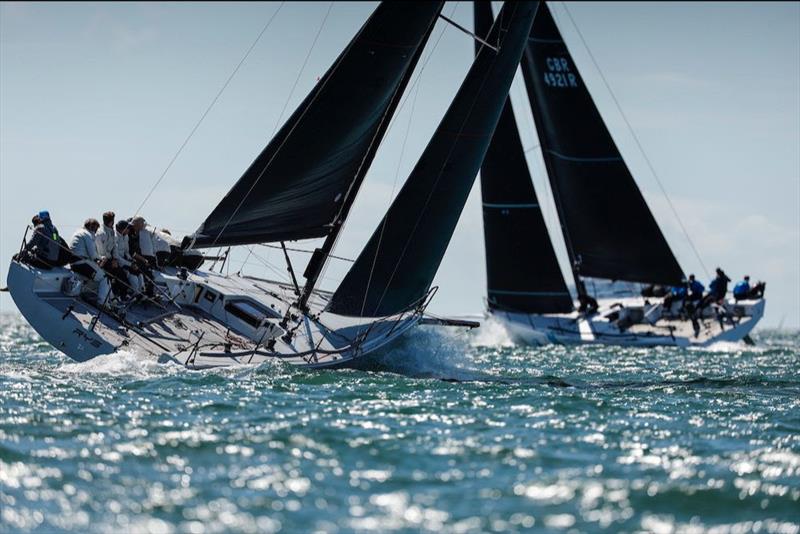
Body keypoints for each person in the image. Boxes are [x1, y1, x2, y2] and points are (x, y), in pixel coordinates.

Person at [69, 218, 114, 305]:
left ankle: (110, 300)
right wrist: (102, 258)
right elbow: (93, 254)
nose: (96, 231)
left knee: (98, 275)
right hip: (81, 263)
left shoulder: (78, 232)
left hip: (75, 263)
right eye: (95, 228)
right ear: (90, 226)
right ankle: (102, 303)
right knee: (104, 277)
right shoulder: (87, 235)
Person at [113, 220, 145, 297]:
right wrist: (130, 264)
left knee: (139, 271)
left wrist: (131, 260)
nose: (129, 230)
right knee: (132, 273)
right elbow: (116, 256)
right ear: (122, 229)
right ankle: (136, 292)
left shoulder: (126, 237)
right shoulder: (115, 237)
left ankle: (141, 291)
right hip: (118, 261)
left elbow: (126, 251)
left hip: (125, 259)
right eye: (127, 228)